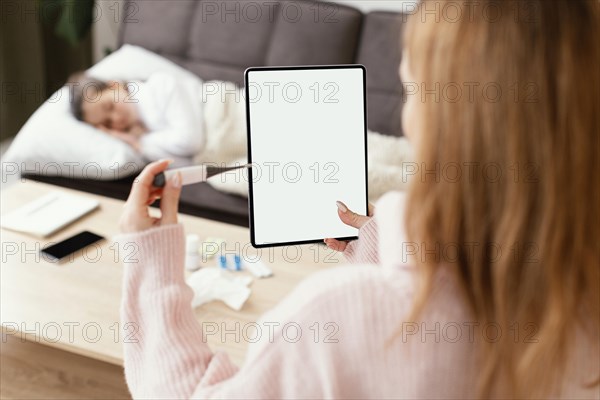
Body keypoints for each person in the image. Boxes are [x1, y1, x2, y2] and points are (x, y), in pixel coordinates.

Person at [115, 0, 599, 398]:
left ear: (450, 120)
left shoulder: (339, 318)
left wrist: (151, 261)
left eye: (412, 92)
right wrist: (378, 246)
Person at [68, 72, 205, 162]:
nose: (116, 119)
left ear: (114, 86)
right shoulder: (139, 138)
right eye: (108, 123)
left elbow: (190, 141)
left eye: (110, 106)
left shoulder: (161, 85)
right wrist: (136, 143)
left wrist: (142, 140)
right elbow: (183, 166)